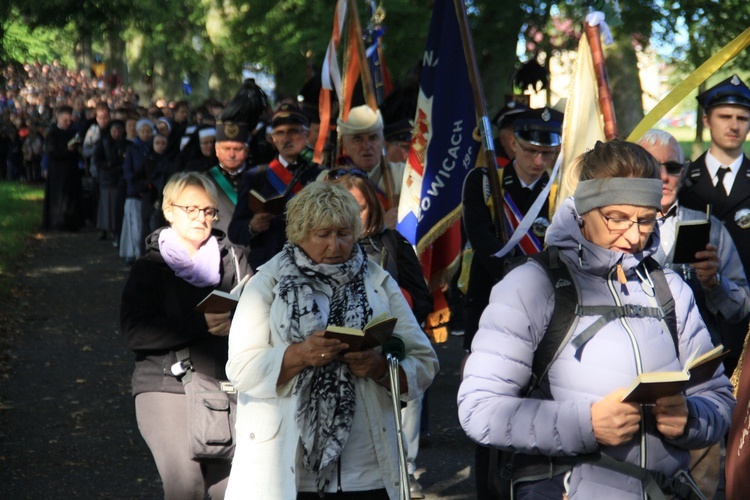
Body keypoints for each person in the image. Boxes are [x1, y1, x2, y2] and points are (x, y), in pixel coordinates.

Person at [458, 140, 735, 499]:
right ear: (584, 209)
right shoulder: (531, 285)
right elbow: (480, 409)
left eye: (647, 220)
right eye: (617, 218)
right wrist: (585, 424)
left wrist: (691, 419)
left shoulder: (672, 290)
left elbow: (717, 396)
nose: (634, 235)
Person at [224, 181, 439, 499]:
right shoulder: (266, 284)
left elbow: (424, 361)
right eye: (322, 235)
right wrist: (297, 355)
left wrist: (379, 367)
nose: (335, 245)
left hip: (369, 469)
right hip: (288, 472)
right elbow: (240, 369)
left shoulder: (379, 282)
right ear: (299, 234)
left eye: (343, 234)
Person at [120, 171, 251, 499]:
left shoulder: (233, 258)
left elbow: (260, 316)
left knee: (230, 490)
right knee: (186, 488)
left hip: (225, 385)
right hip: (166, 385)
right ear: (169, 211)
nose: (200, 218)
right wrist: (199, 325)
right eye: (190, 209)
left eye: (208, 210)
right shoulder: (150, 267)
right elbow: (135, 333)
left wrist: (238, 321)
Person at [638, 129, 750, 498]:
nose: (664, 177)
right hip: (632, 375)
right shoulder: (616, 227)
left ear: (685, 173)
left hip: (695, 378)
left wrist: (714, 283)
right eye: (653, 167)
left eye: (672, 167)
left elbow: (742, 307)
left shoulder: (708, 228)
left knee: (698, 487)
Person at [460, 106, 562, 500]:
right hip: (492, 310)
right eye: (532, 152)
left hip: (547, 313)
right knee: (491, 402)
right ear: (513, 144)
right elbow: (484, 243)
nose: (539, 161)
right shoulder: (486, 182)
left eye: (548, 154)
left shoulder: (556, 190)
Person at [328, 171, 432, 498]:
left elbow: (421, 296)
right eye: (343, 208)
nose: (353, 217)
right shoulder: (312, 256)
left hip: (389, 347)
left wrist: (396, 312)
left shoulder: (392, 242)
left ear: (371, 207)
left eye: (359, 208)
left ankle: (407, 471)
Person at [678, 74, 750, 376]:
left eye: (742, 118)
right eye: (725, 116)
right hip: (694, 321)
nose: (734, 125)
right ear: (707, 119)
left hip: (746, 323)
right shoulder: (680, 180)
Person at [228, 103, 321, 271]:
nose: (286, 138)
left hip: (312, 263)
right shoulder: (254, 176)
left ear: (307, 135)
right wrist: (252, 226)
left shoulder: (320, 175)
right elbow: (235, 231)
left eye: (293, 131)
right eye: (280, 133)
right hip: (269, 266)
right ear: (272, 138)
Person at [332, 105, 406, 229]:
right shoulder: (330, 181)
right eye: (357, 139)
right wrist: (382, 226)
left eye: (373, 138)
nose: (367, 146)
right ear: (344, 144)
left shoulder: (403, 174)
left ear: (383, 141)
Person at [42, 105, 83, 232]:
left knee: (71, 197)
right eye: (65, 120)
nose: (67, 123)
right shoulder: (52, 134)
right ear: (58, 119)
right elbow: (51, 152)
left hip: (71, 169)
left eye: (69, 120)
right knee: (58, 199)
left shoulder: (73, 132)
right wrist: (66, 150)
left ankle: (72, 223)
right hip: (57, 171)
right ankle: (57, 223)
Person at [120, 118, 155, 264]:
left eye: (148, 131)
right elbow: (128, 170)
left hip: (149, 193)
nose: (145, 134)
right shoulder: (132, 149)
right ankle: (134, 253)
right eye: (143, 131)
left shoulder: (154, 149)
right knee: (134, 224)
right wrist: (136, 186)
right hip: (134, 192)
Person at [94, 119, 128, 246]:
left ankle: (115, 230)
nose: (116, 133)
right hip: (107, 178)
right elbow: (97, 159)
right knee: (106, 205)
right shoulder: (103, 142)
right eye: (114, 130)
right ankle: (105, 228)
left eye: (119, 130)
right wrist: (107, 165)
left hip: (118, 177)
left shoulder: (124, 144)